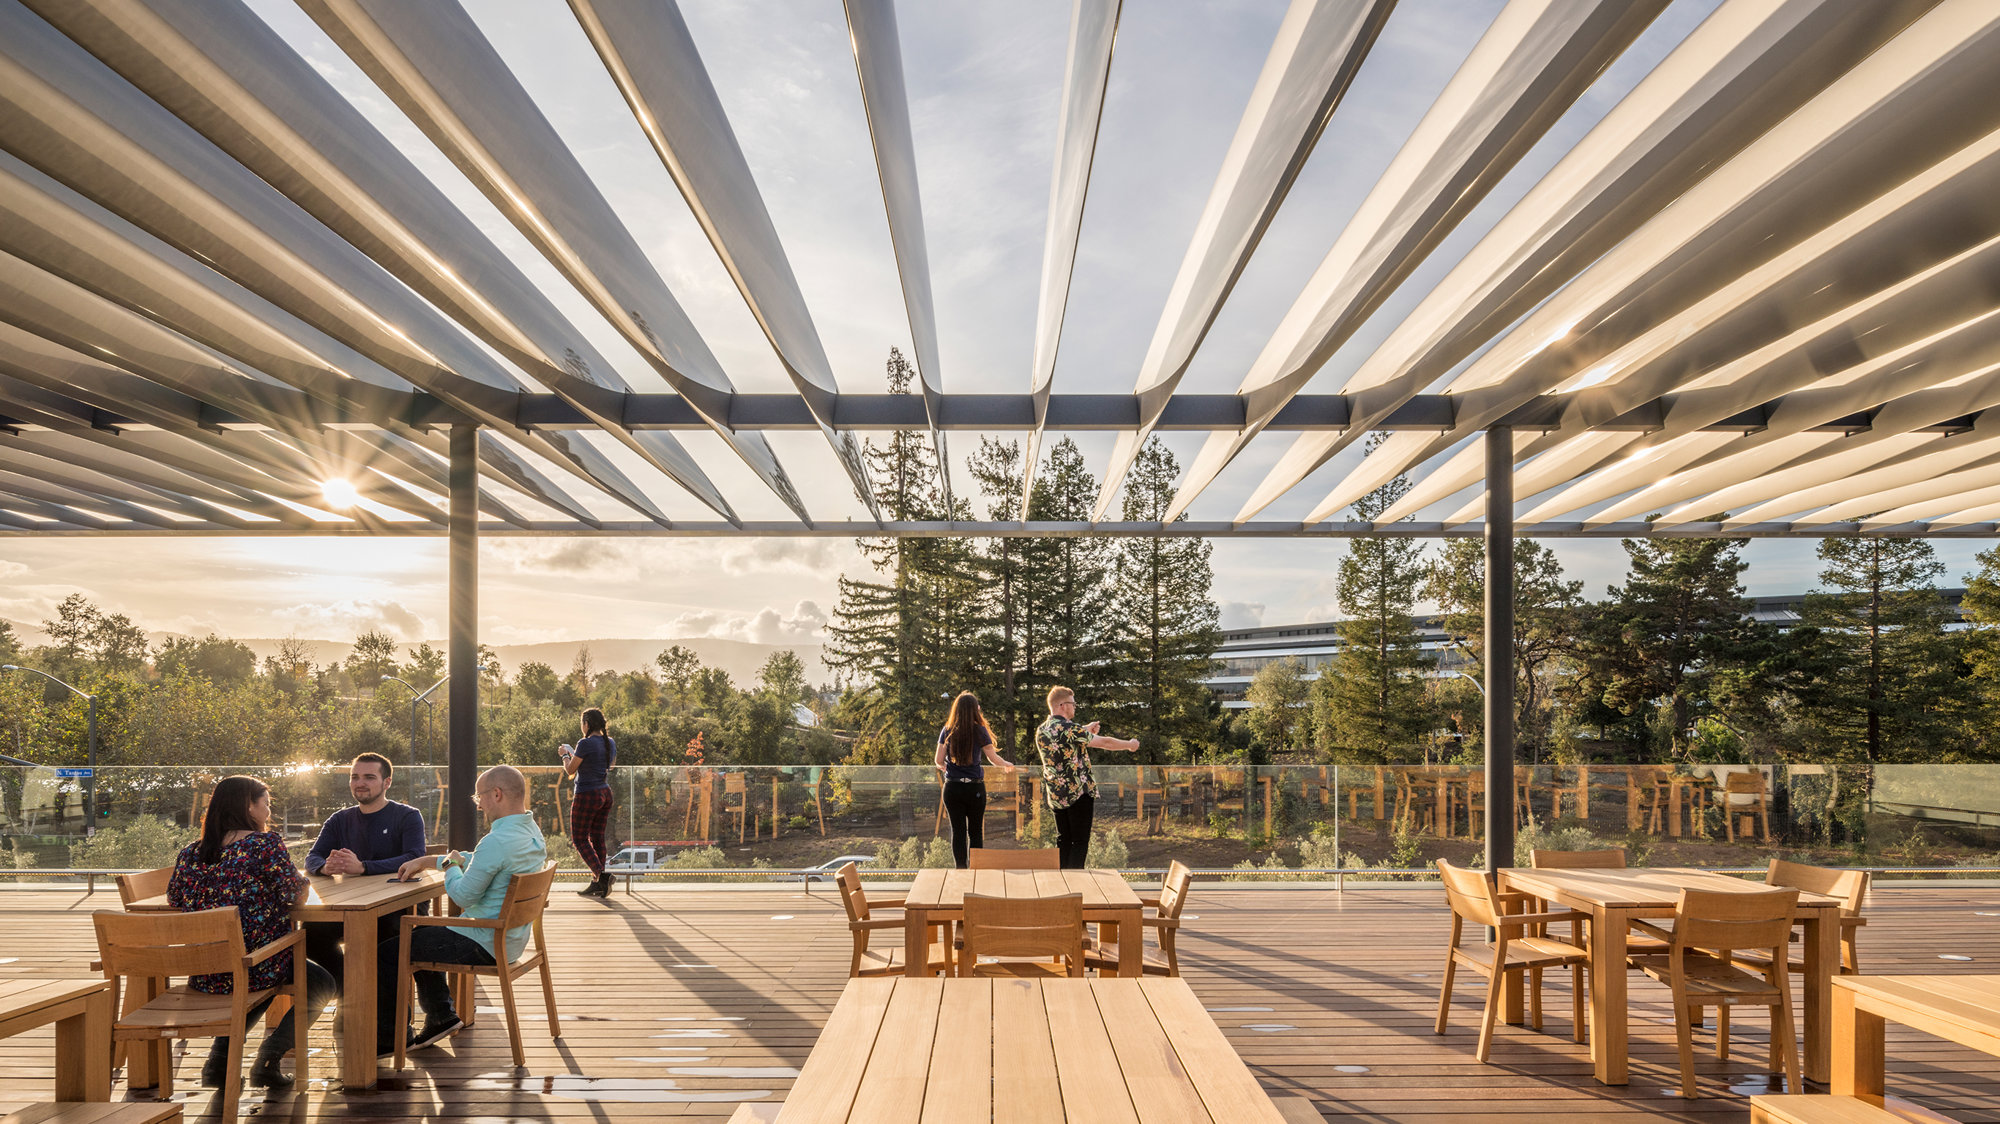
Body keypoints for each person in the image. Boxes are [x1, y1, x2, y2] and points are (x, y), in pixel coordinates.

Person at [168, 774, 337, 1090]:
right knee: (320, 982)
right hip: (254, 965)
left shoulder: (191, 852)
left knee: (250, 970)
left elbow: (175, 898)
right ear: (249, 806)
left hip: (205, 971)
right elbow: (295, 894)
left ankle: (219, 1063)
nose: (269, 813)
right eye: (267, 805)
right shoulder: (264, 845)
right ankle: (268, 1061)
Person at [376, 764, 546, 1059]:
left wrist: (449, 867)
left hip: (483, 941)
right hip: (510, 939)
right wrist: (434, 859)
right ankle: (441, 1016)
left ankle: (391, 1040)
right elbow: (485, 862)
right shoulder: (530, 831)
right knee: (423, 933)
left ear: (496, 794)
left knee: (389, 951)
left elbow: (463, 893)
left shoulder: (496, 841)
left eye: (479, 797)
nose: (479, 805)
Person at [302, 753, 428, 982]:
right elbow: (312, 857)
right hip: (350, 906)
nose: (360, 783)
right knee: (311, 931)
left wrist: (363, 867)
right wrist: (325, 867)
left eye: (369, 777)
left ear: (386, 782)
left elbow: (415, 856)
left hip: (399, 906)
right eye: (355, 777)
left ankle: (383, 1010)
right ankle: (350, 990)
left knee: (387, 934)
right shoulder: (339, 819)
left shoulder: (408, 816)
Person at [1034, 685, 1138, 869]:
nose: (1075, 707)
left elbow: (1062, 736)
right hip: (1078, 794)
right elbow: (1105, 742)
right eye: (1073, 704)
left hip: (1056, 795)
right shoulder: (1071, 729)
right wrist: (1129, 744)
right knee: (1079, 841)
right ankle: (1075, 884)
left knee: (1063, 839)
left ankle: (1062, 883)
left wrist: (1085, 729)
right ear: (1062, 705)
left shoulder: (1042, 730)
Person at [933, 691, 1016, 869]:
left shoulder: (947, 730)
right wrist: (1007, 764)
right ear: (973, 710)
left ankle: (961, 870)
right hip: (974, 789)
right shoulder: (979, 730)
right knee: (976, 831)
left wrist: (945, 766)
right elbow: (993, 759)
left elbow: (938, 760)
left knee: (958, 831)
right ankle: (976, 870)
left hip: (952, 787)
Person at [561, 707, 617, 898]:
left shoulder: (584, 743)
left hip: (587, 794)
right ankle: (597, 883)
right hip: (605, 793)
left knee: (579, 839)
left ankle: (601, 876)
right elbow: (609, 765)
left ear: (587, 724)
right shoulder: (609, 742)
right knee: (597, 837)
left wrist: (565, 754)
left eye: (581, 723)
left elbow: (570, 770)